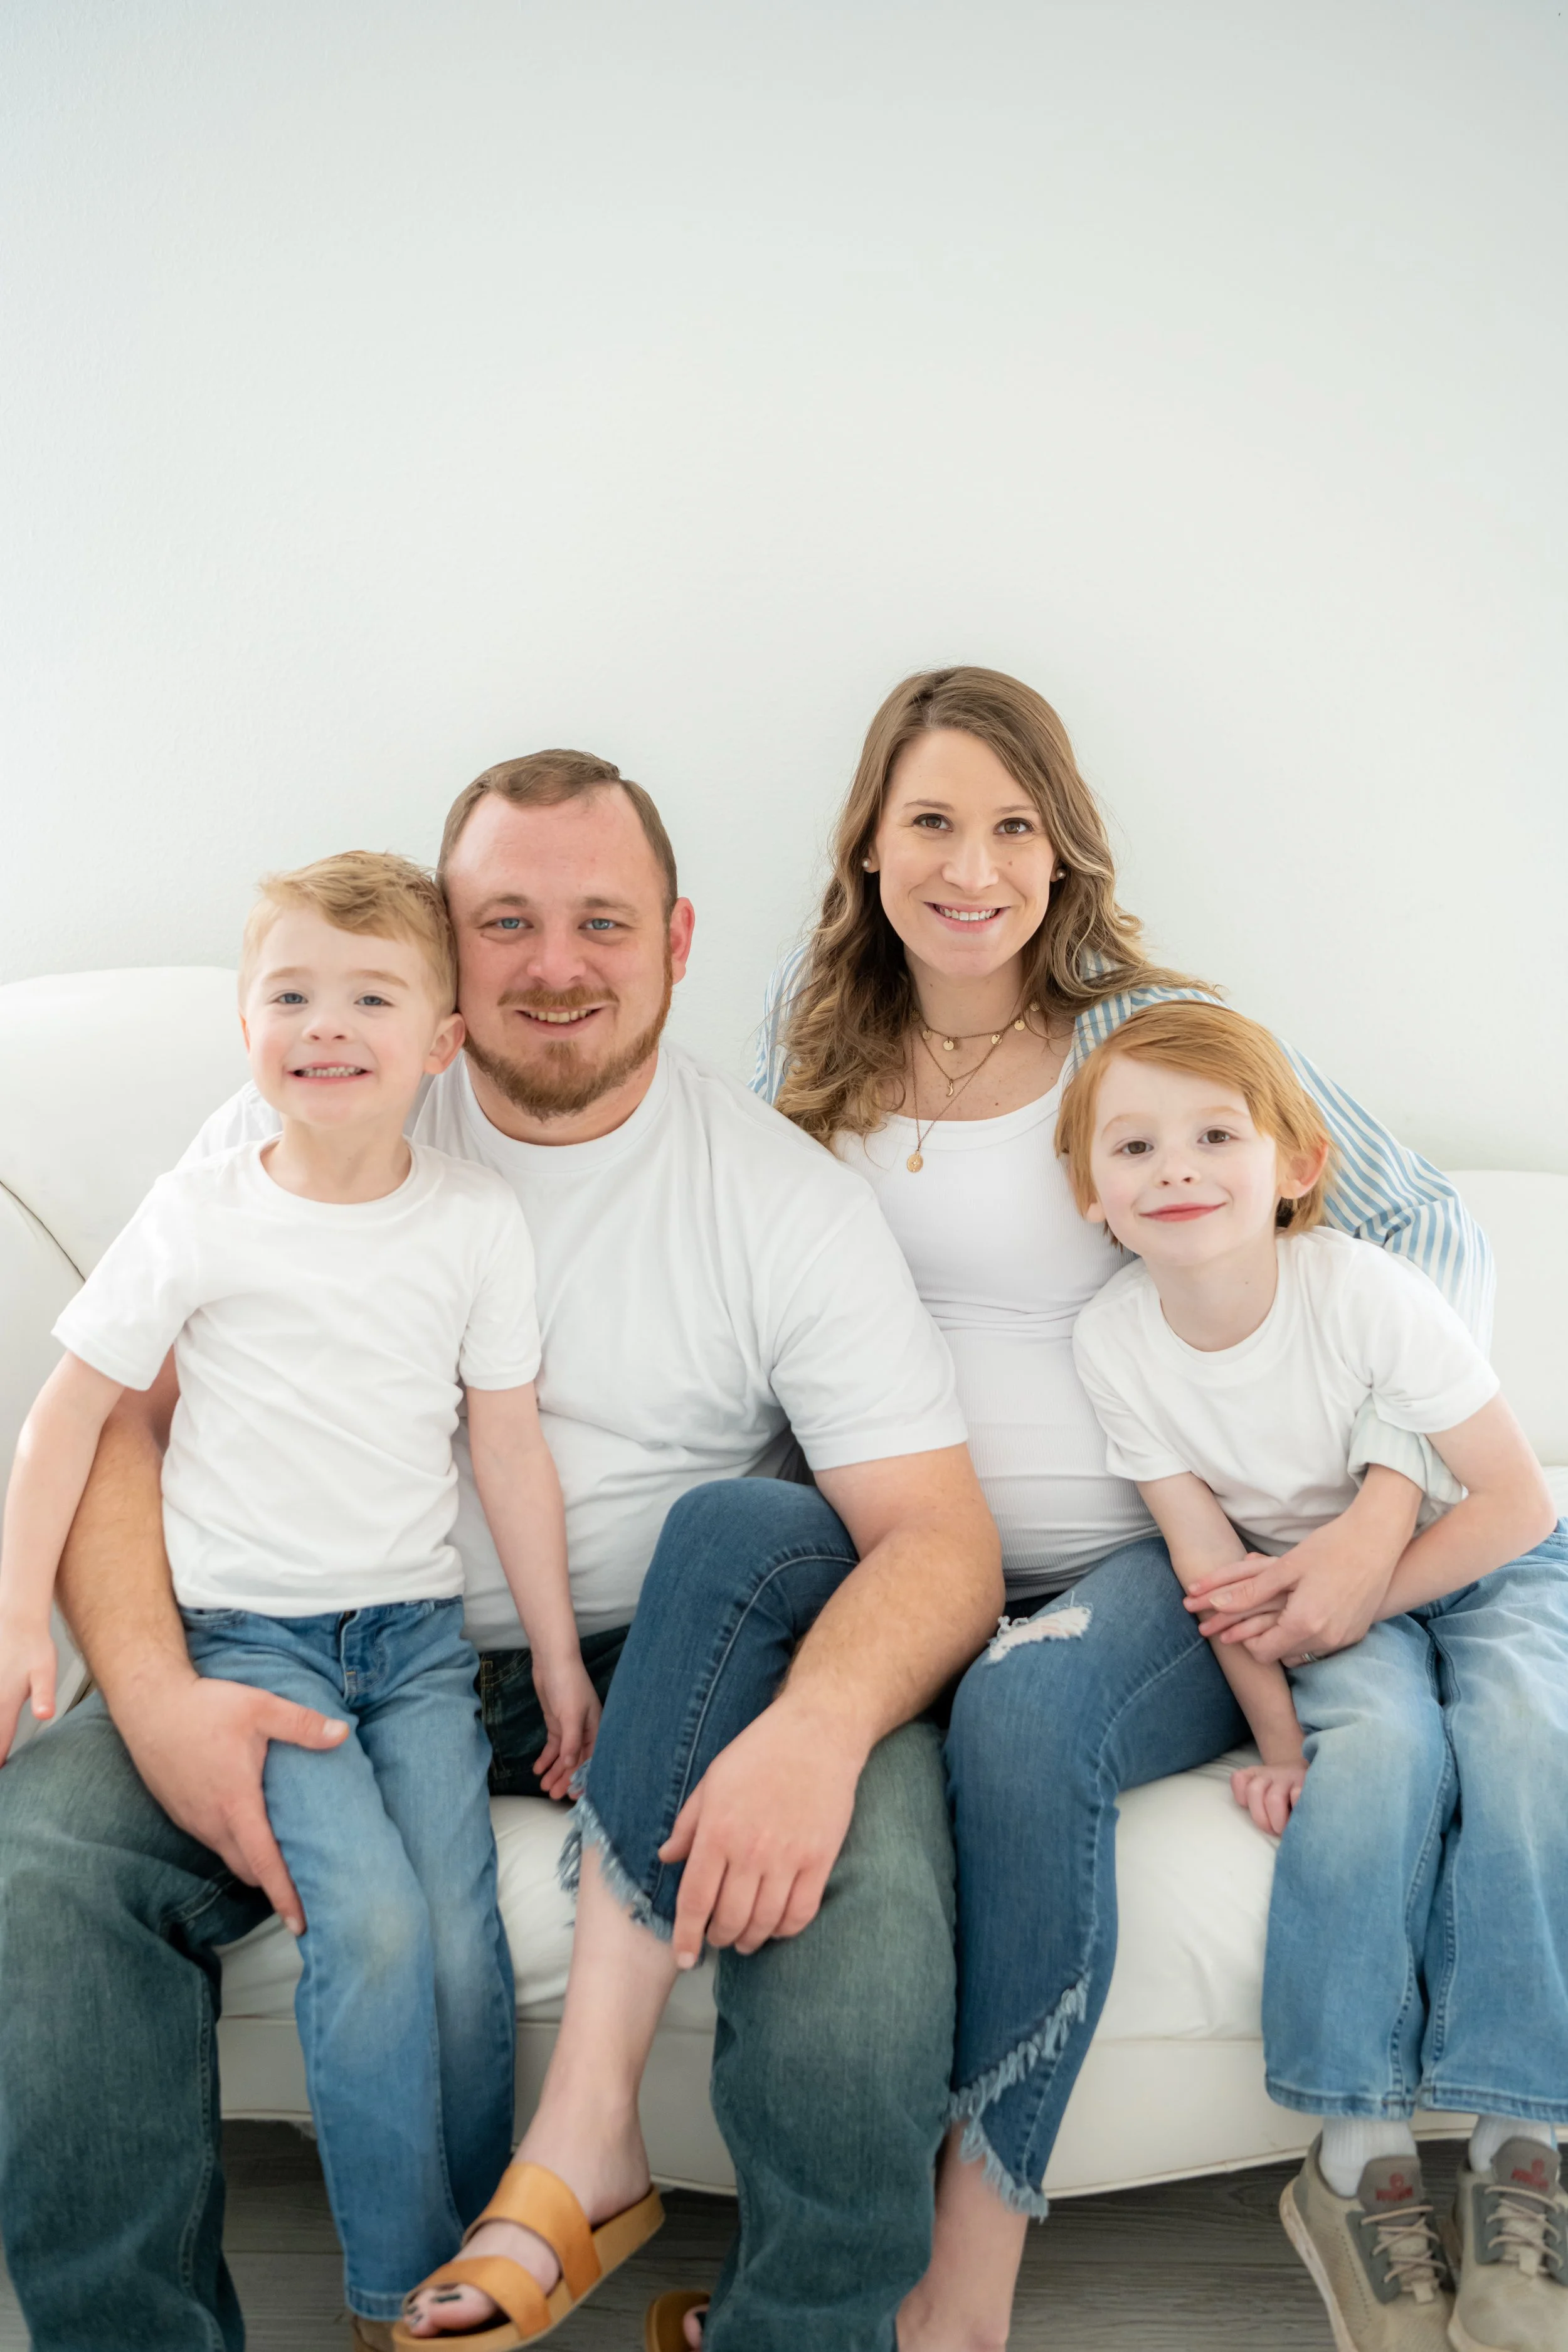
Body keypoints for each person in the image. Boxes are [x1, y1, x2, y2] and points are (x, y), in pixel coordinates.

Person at [0, 751, 1000, 2352]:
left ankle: (801, 2332)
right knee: (44, 1853)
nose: (553, 965)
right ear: (445, 952)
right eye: (505, 921)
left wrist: (815, 1730)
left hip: (641, 1662)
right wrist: (157, 1692)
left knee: (856, 1861)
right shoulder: (303, 1111)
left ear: (675, 944)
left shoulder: (774, 1200)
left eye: (600, 922)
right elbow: (115, 1423)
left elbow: (938, 1540)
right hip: (281, 1634)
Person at [747, 665, 1495, 2352]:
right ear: (867, 841)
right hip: (895, 1556)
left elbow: (1424, 1221)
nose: (973, 863)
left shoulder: (1135, 1028)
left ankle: (978, 2256)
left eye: (1015, 823)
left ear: (1062, 848)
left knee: (1023, 1721)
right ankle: (802, 2270)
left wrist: (1382, 1503)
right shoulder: (806, 1046)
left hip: (1142, 1558)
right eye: (931, 818)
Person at [0, 850, 603, 2331]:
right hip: (254, 1647)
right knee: (374, 1930)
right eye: (290, 995)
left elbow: (506, 1451)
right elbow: (69, 1414)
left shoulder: (472, 1223)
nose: (325, 1025)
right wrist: (22, 1613)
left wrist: (558, 1659)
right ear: (248, 1026)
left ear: (441, 1040)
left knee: (462, 1943)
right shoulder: (199, 1210)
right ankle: (398, 2292)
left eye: (370, 996)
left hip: (409, 1651)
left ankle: (469, 2264)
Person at [1061, 999, 1567, 2352]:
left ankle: (1524, 2143)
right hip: (1300, 1594)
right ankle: (1356, 2159)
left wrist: (1356, 1592)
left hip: (1481, 1551)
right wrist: (1280, 1742)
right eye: (1133, 1145)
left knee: (1522, 1737)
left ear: (1292, 1165)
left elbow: (1514, 1505)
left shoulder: (1359, 1290)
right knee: (1381, 1759)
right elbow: (1214, 1578)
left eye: (1213, 1134)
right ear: (1087, 1190)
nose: (1174, 1167)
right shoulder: (1114, 1343)